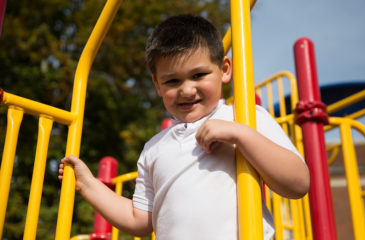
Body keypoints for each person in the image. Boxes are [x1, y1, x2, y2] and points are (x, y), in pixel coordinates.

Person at [58, 14, 310, 239]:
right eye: (172, 81)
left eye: (199, 75)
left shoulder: (244, 117)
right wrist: (88, 185)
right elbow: (139, 220)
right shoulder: (154, 148)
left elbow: (297, 183)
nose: (187, 90)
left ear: (224, 69)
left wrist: (240, 134)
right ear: (157, 86)